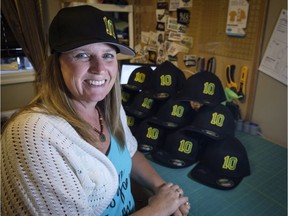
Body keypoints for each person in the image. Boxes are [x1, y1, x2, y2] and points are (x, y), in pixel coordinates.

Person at [1, 5, 190, 216]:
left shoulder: (110, 108)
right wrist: (158, 209)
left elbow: (128, 151)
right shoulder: (32, 134)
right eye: (82, 55)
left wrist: (163, 190)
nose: (99, 68)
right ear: (56, 64)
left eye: (108, 55)